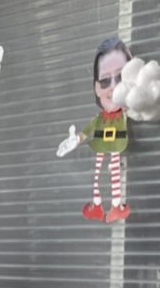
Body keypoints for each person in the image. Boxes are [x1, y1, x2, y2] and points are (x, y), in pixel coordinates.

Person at [56, 36, 133, 223]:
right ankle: (97, 205)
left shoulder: (124, 116)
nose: (113, 87)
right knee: (97, 174)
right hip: (101, 145)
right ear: (96, 88)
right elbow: (88, 130)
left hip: (116, 145)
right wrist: (76, 140)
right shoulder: (100, 118)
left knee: (115, 173)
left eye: (120, 78)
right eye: (105, 81)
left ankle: (116, 206)